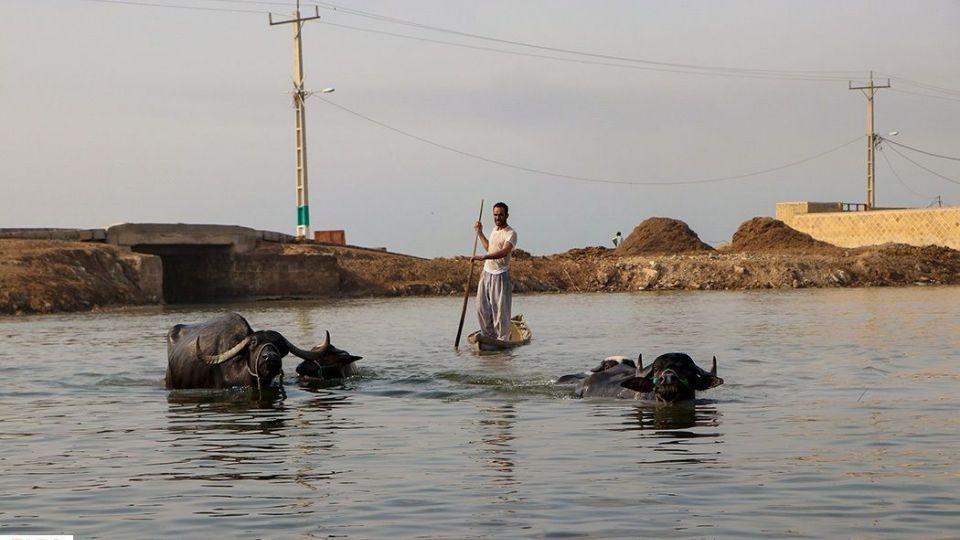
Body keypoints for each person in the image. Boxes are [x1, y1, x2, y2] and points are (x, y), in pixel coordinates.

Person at [471, 202, 517, 341]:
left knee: (500, 311)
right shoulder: (494, 230)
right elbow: (489, 248)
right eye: (495, 215)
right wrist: (480, 233)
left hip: (500, 274)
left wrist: (483, 257)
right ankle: (489, 337)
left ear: (506, 215)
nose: (498, 217)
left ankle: (503, 339)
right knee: (481, 308)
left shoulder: (510, 233)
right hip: (486, 273)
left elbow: (503, 252)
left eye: (501, 215)